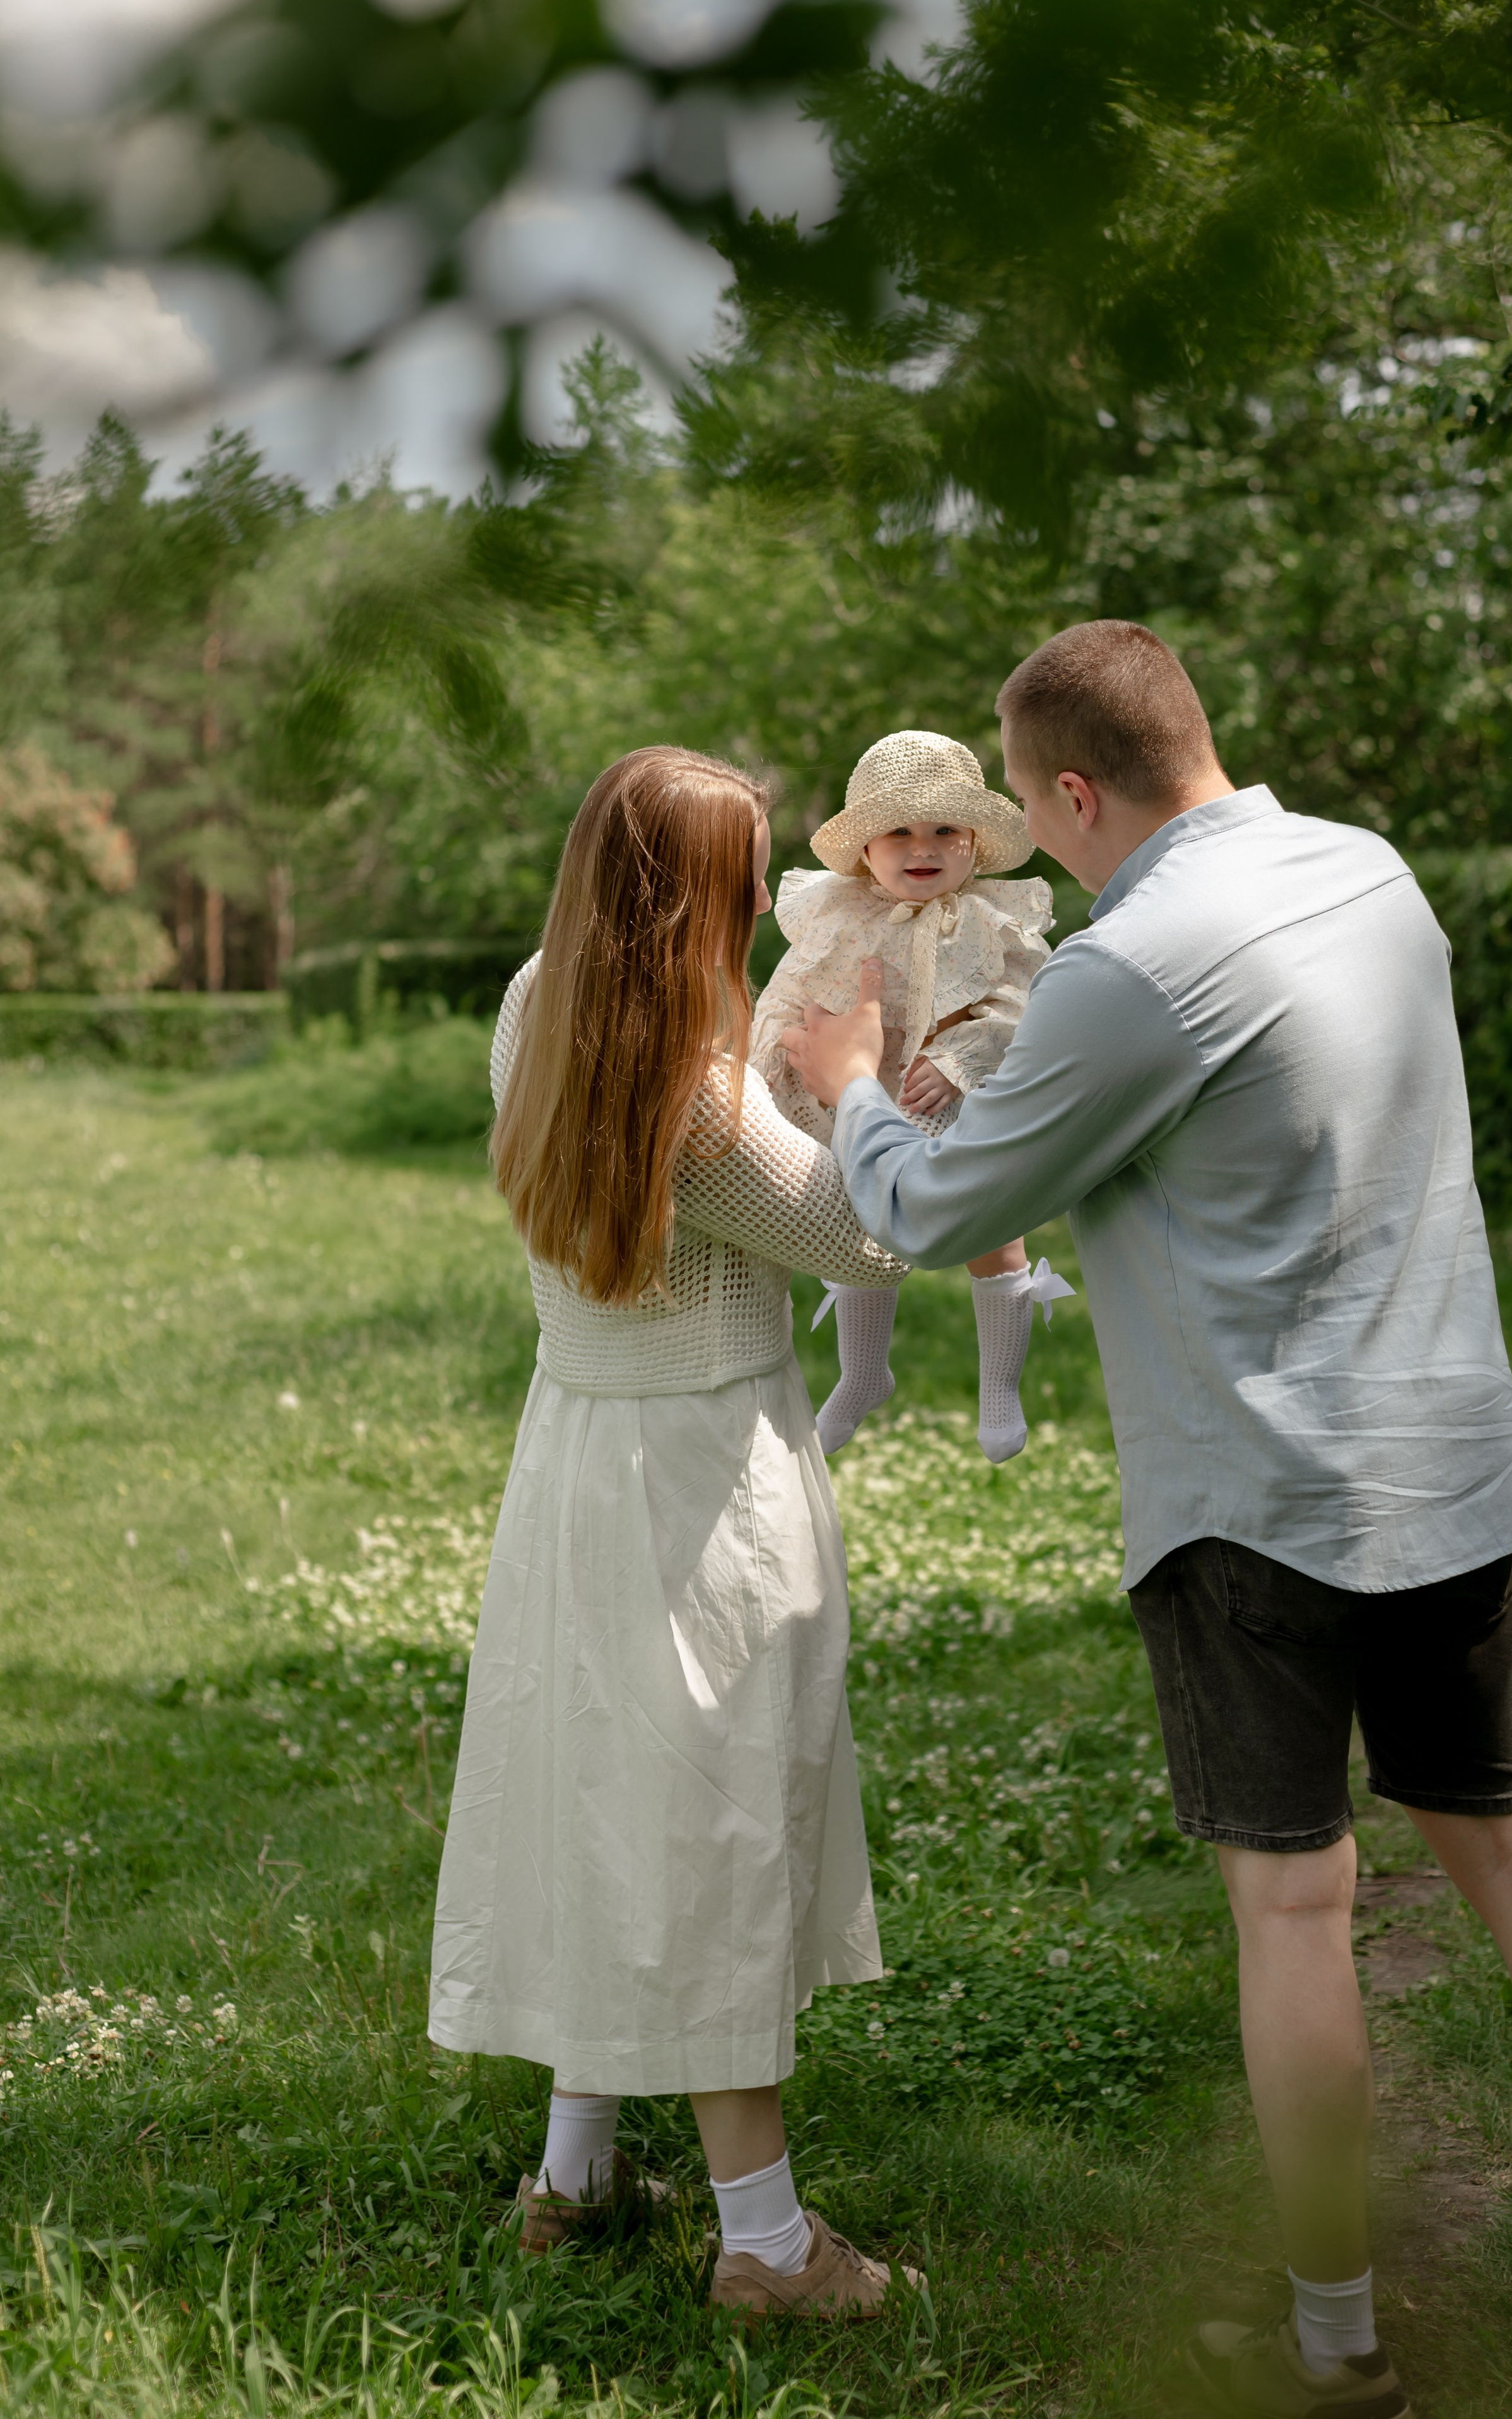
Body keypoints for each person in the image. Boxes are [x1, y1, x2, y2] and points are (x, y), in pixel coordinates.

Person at [782, 619, 1512, 2416]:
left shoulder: (1131, 962)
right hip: (1446, 1451)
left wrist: (849, 1082)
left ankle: (1338, 2350)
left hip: (1258, 1501)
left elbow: (937, 1215)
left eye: (1025, 805)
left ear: (1075, 789)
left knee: (1296, 1910)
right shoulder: (1369, 870)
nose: (1027, 834)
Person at [428, 744, 919, 2319]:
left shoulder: (533, 1003)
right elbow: (856, 1229)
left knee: (604, 1792)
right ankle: (766, 2241)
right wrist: (853, 1085)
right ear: (690, 896)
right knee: (707, 1830)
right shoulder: (690, 1097)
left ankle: (571, 2173)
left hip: (575, 1455)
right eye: (742, 876)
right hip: (702, 1477)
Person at [751, 727, 1070, 1462]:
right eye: (898, 832)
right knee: (861, 1226)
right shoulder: (839, 915)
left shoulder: (993, 920)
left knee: (993, 1229)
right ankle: (864, 1373)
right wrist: (774, 1062)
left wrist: (962, 1054)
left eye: (942, 831)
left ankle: (1001, 1385)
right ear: (865, 850)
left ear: (973, 843)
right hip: (866, 1095)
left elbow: (1025, 1006)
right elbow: (793, 994)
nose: (920, 848)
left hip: (962, 1099)